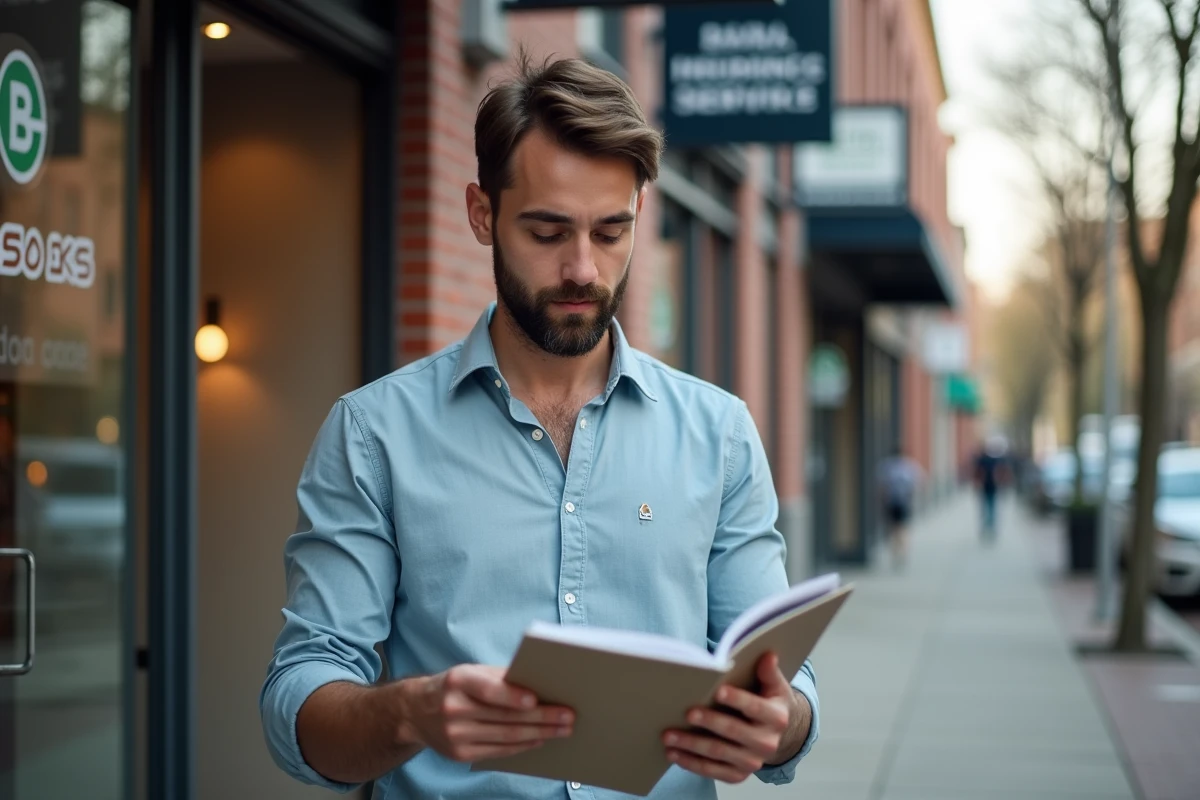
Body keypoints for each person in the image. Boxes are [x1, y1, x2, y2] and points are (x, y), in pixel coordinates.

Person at [259, 53, 819, 799]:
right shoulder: (373, 434)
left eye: (611, 232)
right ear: (482, 214)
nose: (584, 269)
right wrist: (410, 713)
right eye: (549, 232)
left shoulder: (719, 433)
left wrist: (780, 722)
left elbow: (786, 687)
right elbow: (300, 694)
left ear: (639, 216)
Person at [876, 445, 922, 569]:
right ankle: (903, 551)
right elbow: (919, 482)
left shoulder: (887, 466)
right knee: (903, 528)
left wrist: (882, 500)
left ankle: (895, 552)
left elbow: (881, 486)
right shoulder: (909, 466)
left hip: (891, 502)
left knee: (893, 528)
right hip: (904, 502)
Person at [973, 436, 1010, 540]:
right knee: (986, 508)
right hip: (985, 487)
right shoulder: (983, 459)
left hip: (993, 487)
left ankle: (990, 527)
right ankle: (986, 527)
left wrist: (1003, 483)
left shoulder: (997, 459)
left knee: (991, 508)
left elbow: (1003, 472)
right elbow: (977, 473)